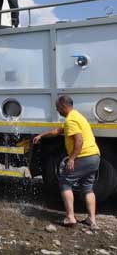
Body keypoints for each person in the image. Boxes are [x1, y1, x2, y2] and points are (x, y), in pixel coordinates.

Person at [33, 95, 101, 229]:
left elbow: (79, 141)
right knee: (87, 188)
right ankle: (92, 220)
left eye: (57, 107)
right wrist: (41, 135)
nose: (57, 110)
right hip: (94, 156)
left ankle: (70, 217)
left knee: (65, 182)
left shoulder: (71, 121)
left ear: (63, 106)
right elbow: (58, 131)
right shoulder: (77, 116)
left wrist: (72, 158)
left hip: (83, 156)